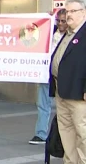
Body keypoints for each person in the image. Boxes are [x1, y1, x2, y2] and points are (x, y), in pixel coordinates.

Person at [49, 0, 86, 164]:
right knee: (66, 128)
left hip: (78, 90)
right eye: (67, 11)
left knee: (82, 130)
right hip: (62, 89)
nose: (68, 14)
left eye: (73, 11)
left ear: (83, 13)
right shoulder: (68, 33)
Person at [29, 8, 67, 145]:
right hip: (46, 74)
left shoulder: (72, 36)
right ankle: (41, 134)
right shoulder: (50, 31)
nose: (61, 23)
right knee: (43, 104)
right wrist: (47, 18)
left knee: (64, 107)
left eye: (64, 21)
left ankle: (64, 137)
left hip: (63, 76)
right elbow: (32, 31)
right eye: (59, 20)